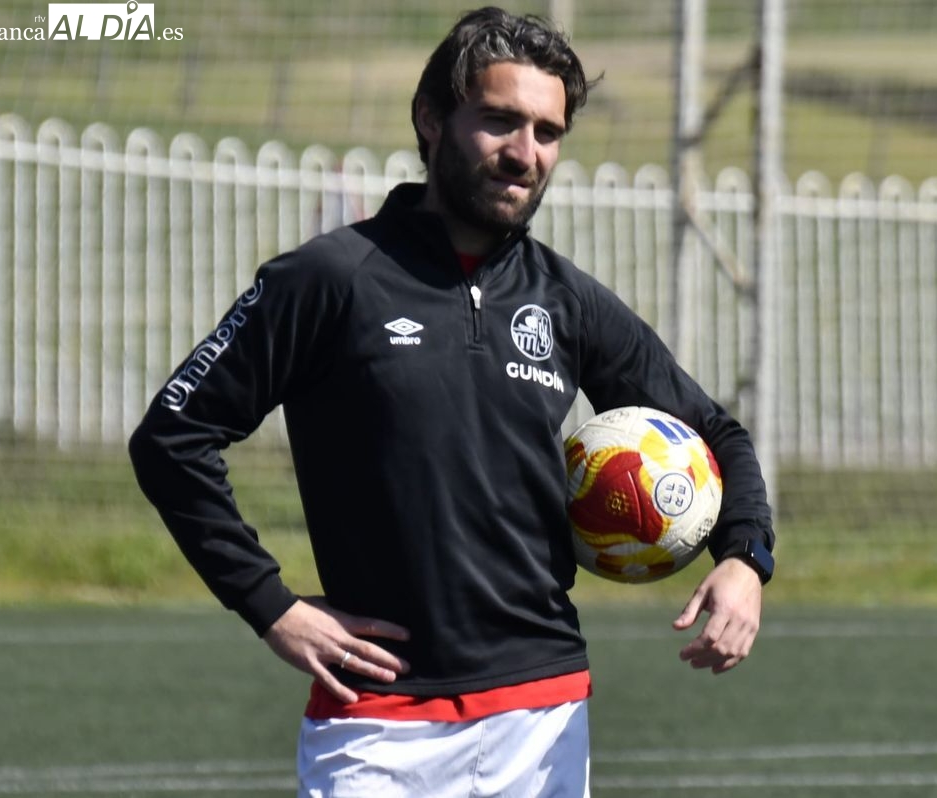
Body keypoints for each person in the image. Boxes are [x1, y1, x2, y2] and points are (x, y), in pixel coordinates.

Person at [129, 6, 775, 796]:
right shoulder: (330, 278)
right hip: (375, 717)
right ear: (431, 119)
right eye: (500, 122)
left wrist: (744, 558)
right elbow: (172, 436)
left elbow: (714, 432)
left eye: (547, 132)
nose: (525, 153)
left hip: (541, 715)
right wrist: (271, 605)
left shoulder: (567, 301)